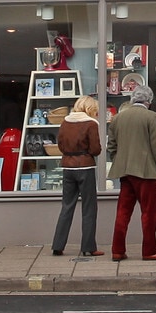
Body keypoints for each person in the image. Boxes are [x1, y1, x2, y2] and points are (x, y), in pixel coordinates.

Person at [107, 84, 156, 262]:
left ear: (132, 99)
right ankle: (150, 250)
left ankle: (117, 250)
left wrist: (121, 160)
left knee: (123, 211)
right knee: (150, 213)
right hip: (147, 172)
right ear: (149, 101)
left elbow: (111, 147)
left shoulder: (118, 118)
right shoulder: (152, 117)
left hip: (125, 171)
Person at [51, 95, 103, 257]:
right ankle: (88, 247)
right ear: (90, 108)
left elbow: (60, 145)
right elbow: (95, 149)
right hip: (85, 166)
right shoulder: (91, 124)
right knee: (89, 208)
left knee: (67, 206)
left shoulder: (65, 122)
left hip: (67, 166)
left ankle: (58, 245)